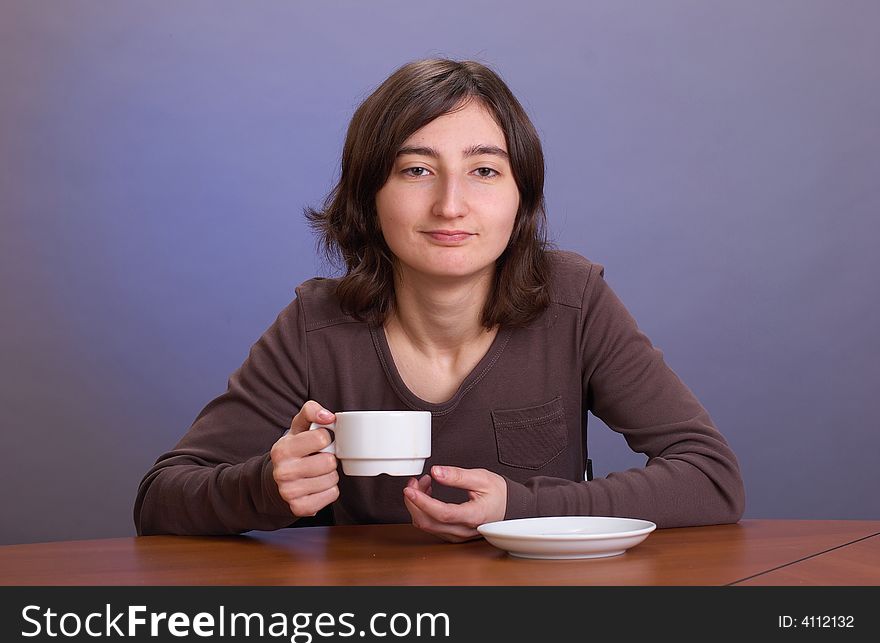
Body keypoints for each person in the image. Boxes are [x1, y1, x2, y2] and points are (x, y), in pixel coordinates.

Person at [134, 58, 745, 541]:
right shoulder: (318, 324)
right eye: (416, 170)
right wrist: (265, 487)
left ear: (520, 198)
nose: (450, 205)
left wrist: (522, 508)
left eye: (484, 171)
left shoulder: (573, 300)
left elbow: (711, 478)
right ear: (369, 195)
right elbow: (160, 498)